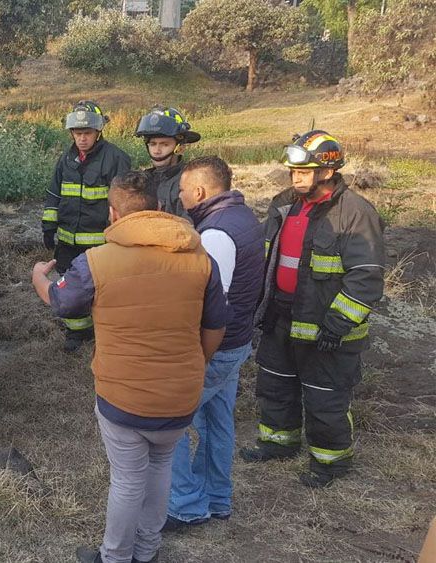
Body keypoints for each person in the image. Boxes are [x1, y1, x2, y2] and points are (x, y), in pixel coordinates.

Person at [31, 171, 228, 563]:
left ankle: (116, 556)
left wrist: (39, 277)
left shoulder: (96, 262)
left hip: (124, 399)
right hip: (179, 398)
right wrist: (195, 365)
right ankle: (147, 550)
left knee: (127, 479)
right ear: (159, 207)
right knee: (160, 469)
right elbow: (216, 326)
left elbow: (62, 302)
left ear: (113, 213)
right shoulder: (201, 259)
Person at [240, 130, 385, 488]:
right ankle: (278, 443)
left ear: (328, 171)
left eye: (304, 172)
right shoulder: (283, 204)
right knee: (275, 386)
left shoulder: (354, 214)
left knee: (325, 398)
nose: (296, 178)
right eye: (293, 171)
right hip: (280, 317)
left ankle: (330, 463)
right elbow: (267, 256)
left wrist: (337, 324)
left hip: (327, 328)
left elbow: (366, 277)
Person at [161, 156, 263, 531]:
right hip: (237, 342)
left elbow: (209, 302)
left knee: (166, 424)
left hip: (218, 347)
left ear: (200, 191)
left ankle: (185, 504)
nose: (181, 196)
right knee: (217, 421)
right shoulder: (243, 217)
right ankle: (217, 497)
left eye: (183, 190)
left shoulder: (215, 234)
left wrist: (193, 353)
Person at [42, 100, 132, 352]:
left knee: (103, 289)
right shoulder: (66, 159)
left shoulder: (116, 159)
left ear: (98, 131)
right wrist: (48, 225)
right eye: (77, 133)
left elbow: (124, 202)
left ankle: (103, 331)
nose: (82, 138)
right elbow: (54, 194)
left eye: (87, 133)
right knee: (69, 285)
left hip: (99, 244)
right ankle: (76, 332)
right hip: (67, 241)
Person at [134, 107, 201, 219]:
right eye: (153, 144)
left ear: (180, 147)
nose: (157, 151)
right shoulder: (142, 182)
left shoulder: (189, 183)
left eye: (165, 144)